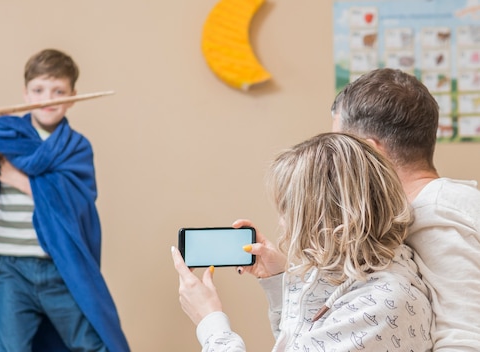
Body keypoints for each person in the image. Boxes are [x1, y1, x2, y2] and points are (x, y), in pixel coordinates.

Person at [0, 49, 130, 351]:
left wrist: (23, 182)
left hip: (58, 266)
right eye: (38, 90)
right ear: (25, 94)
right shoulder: (10, 137)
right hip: (11, 271)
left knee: (94, 344)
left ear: (72, 96)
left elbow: (77, 206)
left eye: (58, 91)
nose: (47, 98)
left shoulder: (76, 148)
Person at [172, 132, 433, 351]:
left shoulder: (381, 306)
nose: (283, 223)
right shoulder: (370, 274)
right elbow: (305, 341)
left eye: (287, 211)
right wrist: (279, 281)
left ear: (321, 220)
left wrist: (210, 321)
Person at [331, 68, 480, 350]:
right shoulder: (441, 203)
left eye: (343, 146)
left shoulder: (437, 214)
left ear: (369, 149)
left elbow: (465, 338)